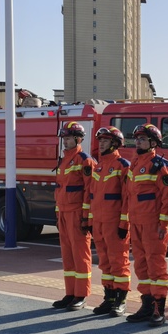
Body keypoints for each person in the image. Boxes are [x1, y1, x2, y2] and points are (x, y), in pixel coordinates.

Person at [124, 124, 168, 326]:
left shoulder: (160, 166)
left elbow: (167, 198)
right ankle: (146, 305)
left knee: (156, 266)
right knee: (142, 266)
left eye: (143, 139)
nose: (138, 142)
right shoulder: (135, 164)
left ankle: (158, 309)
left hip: (154, 226)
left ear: (153, 143)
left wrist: (163, 224)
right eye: (137, 139)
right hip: (136, 223)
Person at [52, 121, 97, 311]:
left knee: (81, 256)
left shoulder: (84, 160)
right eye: (64, 138)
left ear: (78, 139)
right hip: (63, 213)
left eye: (68, 138)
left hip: (77, 214)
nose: (65, 141)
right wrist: (57, 213)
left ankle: (81, 295)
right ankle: (70, 293)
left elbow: (90, 191)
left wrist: (86, 217)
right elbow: (60, 189)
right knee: (67, 256)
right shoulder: (64, 160)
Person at [88, 126, 132, 315]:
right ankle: (109, 297)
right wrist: (90, 220)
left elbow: (127, 198)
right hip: (99, 222)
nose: (101, 143)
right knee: (105, 262)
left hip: (115, 223)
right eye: (100, 140)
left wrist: (124, 224)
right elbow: (92, 195)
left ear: (115, 143)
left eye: (105, 140)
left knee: (118, 261)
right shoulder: (98, 165)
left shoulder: (123, 165)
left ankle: (121, 300)